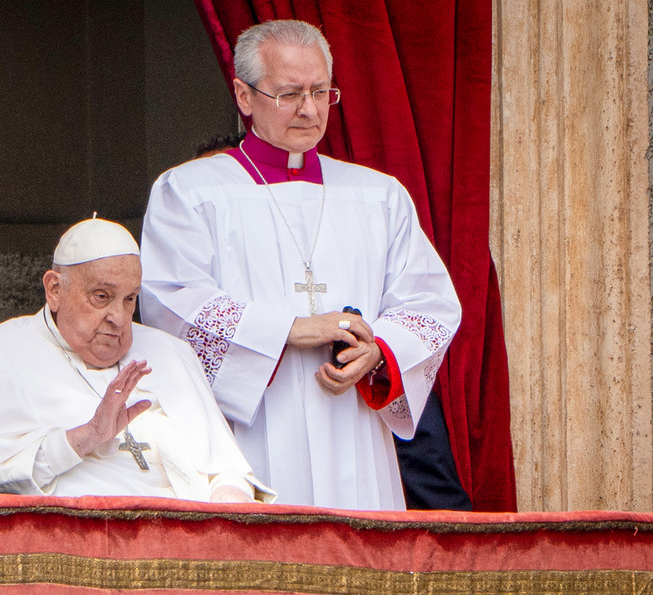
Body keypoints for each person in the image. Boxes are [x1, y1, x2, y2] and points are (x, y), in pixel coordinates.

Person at [140, 20, 462, 511]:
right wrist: (288, 329)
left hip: (354, 428)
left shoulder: (378, 196)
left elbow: (430, 303)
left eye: (320, 92)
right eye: (289, 94)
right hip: (253, 426)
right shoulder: (189, 192)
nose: (309, 110)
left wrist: (379, 353)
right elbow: (172, 302)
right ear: (244, 96)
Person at [0, 218, 274, 503]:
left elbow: (228, 471)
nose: (120, 319)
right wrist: (85, 438)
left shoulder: (172, 355)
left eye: (129, 299)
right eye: (102, 297)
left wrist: (228, 512)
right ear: (54, 290)